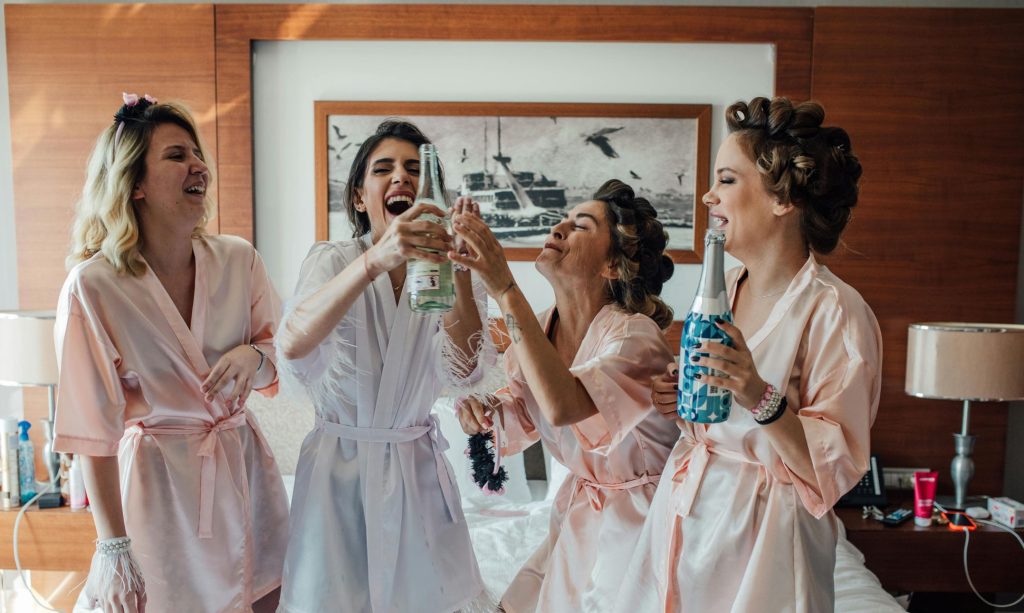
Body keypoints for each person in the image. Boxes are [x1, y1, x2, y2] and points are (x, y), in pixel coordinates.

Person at [615, 96, 882, 612]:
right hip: (686, 513)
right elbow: (714, 409)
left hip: (765, 538)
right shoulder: (725, 287)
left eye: (727, 180)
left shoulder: (836, 313)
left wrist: (758, 394)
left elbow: (836, 467)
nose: (708, 196)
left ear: (783, 199)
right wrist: (679, 401)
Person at [53, 93, 289, 613]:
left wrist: (254, 355)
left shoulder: (238, 259)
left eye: (196, 154)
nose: (197, 165)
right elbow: (92, 433)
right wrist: (112, 547)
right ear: (134, 183)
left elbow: (279, 358)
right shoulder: (93, 288)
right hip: (158, 490)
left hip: (242, 467)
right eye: (177, 155)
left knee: (263, 595)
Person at [275, 120, 493, 613]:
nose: (402, 177)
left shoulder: (448, 273)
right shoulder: (333, 261)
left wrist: (459, 269)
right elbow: (291, 345)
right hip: (337, 473)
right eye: (385, 169)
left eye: (415, 169)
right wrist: (378, 258)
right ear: (359, 197)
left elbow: (466, 370)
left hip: (414, 469)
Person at [452, 179, 678, 613]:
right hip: (580, 514)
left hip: (645, 522)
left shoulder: (635, 338)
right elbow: (523, 413)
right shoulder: (536, 330)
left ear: (613, 266)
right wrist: (484, 414)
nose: (558, 227)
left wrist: (505, 287)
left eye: (581, 226)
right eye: (564, 219)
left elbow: (562, 405)